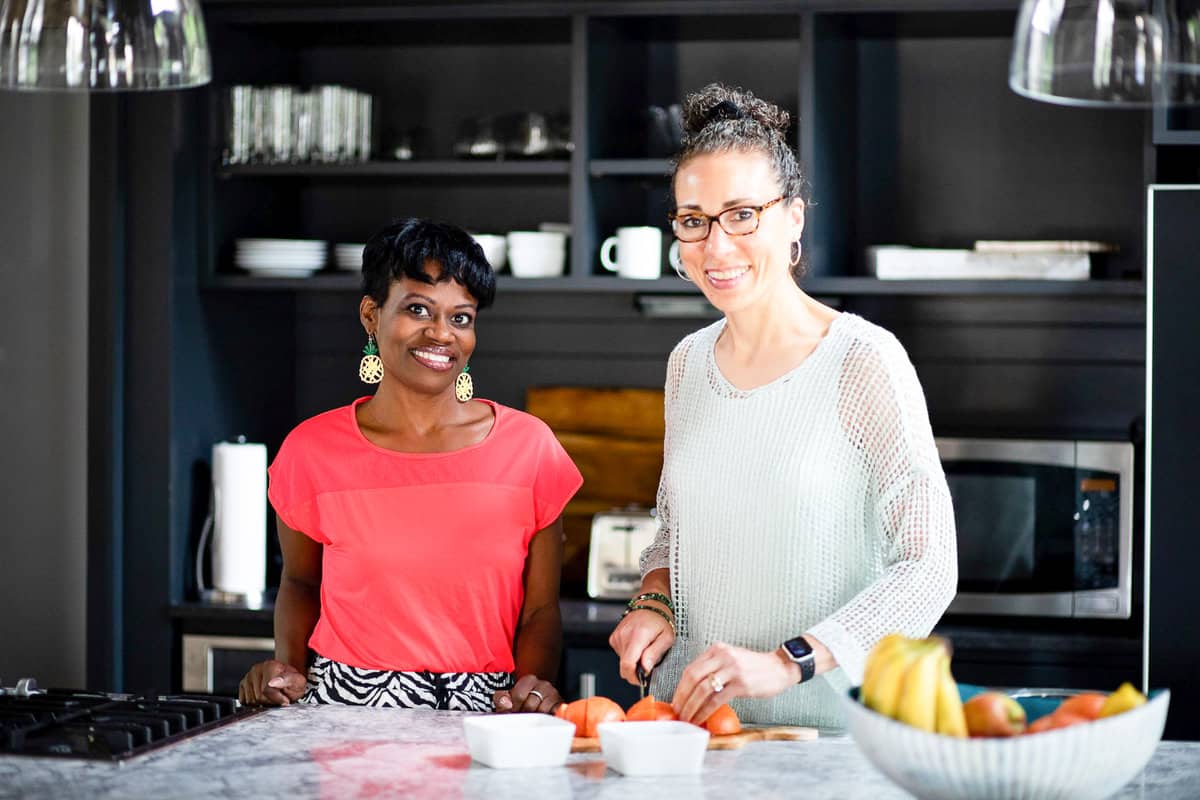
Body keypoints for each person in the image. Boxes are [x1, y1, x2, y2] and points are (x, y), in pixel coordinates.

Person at [608, 84, 958, 729]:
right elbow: (674, 530)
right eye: (694, 220)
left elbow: (930, 567)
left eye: (743, 214)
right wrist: (652, 602)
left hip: (828, 738)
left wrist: (789, 660)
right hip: (693, 731)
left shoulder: (862, 359)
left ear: (793, 218)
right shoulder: (686, 362)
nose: (716, 247)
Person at [238, 218, 582, 713]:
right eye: (418, 308)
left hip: (487, 714)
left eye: (461, 317)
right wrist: (286, 672)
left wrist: (532, 688)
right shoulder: (311, 450)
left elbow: (540, 610)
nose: (441, 333)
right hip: (343, 713)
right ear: (371, 315)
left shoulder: (529, 449)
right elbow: (300, 583)